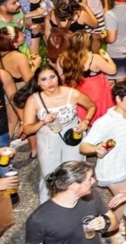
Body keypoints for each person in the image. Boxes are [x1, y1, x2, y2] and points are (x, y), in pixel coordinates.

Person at [80, 81, 126, 244]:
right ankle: (110, 230)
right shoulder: (106, 121)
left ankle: (122, 223)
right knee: (124, 202)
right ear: (118, 98)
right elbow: (84, 146)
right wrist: (95, 149)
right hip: (113, 169)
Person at [17, 65, 96, 202]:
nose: (50, 82)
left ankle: (77, 203)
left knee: (75, 172)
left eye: (52, 77)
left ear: (58, 78)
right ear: (38, 83)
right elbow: (27, 129)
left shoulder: (72, 93)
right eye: (44, 79)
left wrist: (86, 121)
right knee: (50, 174)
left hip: (72, 136)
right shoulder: (34, 100)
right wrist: (42, 121)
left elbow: (91, 106)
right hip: (48, 139)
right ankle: (50, 206)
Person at [24, 161, 116, 244]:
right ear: (74, 186)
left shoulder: (92, 196)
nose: (94, 181)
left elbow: (114, 223)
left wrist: (106, 223)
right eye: (90, 178)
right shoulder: (39, 219)